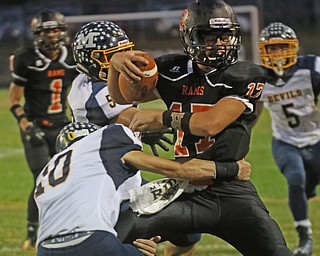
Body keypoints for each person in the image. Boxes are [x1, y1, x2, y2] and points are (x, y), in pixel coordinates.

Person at [108, 0, 294, 255]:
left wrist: (163, 117)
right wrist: (116, 64)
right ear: (190, 36)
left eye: (224, 36)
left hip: (230, 188)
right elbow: (122, 98)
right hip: (182, 187)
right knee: (115, 235)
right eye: (209, 36)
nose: (219, 43)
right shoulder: (172, 69)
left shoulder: (245, 74)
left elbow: (210, 124)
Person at [34, 121, 250, 256]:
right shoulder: (102, 151)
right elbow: (171, 174)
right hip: (93, 242)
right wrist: (229, 169)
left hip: (45, 248)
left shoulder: (47, 174)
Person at [8, 9, 78, 250]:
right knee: (41, 179)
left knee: (70, 179)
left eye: (56, 29)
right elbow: (14, 101)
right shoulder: (25, 58)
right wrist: (27, 127)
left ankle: (68, 225)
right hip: (35, 125)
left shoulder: (72, 56)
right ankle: (32, 233)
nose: (52, 35)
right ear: (37, 34)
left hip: (62, 125)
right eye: (47, 30)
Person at [255, 22, 320, 256]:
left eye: (282, 47)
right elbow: (251, 114)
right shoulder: (258, 78)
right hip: (285, 141)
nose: (277, 54)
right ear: (263, 51)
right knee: (295, 178)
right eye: (272, 49)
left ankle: (310, 189)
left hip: (316, 138)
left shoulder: (312, 67)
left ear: (294, 48)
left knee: (308, 183)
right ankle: (305, 237)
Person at [69, 20, 173, 157]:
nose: (124, 61)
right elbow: (137, 120)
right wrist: (187, 119)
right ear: (90, 60)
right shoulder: (94, 92)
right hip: (101, 169)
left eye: (125, 52)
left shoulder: (83, 80)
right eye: (113, 56)